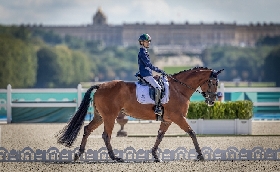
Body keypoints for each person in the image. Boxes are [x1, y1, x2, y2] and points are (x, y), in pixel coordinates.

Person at [137, 33, 166, 121]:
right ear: (142, 42)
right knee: (158, 87)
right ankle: (157, 107)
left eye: (149, 41)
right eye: (146, 41)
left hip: (148, 73)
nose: (148, 43)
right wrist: (159, 70)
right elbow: (149, 65)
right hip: (145, 74)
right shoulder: (142, 52)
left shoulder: (145, 51)